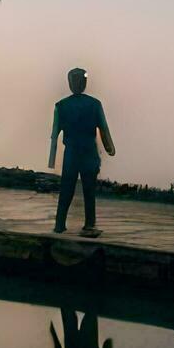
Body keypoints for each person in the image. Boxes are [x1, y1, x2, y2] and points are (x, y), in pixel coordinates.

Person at [48, 67, 116, 237]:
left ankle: (60, 224)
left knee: (67, 189)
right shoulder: (94, 104)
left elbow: (54, 135)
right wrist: (110, 149)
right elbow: (104, 129)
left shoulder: (61, 106)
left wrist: (51, 159)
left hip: (72, 153)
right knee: (88, 190)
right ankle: (89, 224)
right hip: (88, 153)